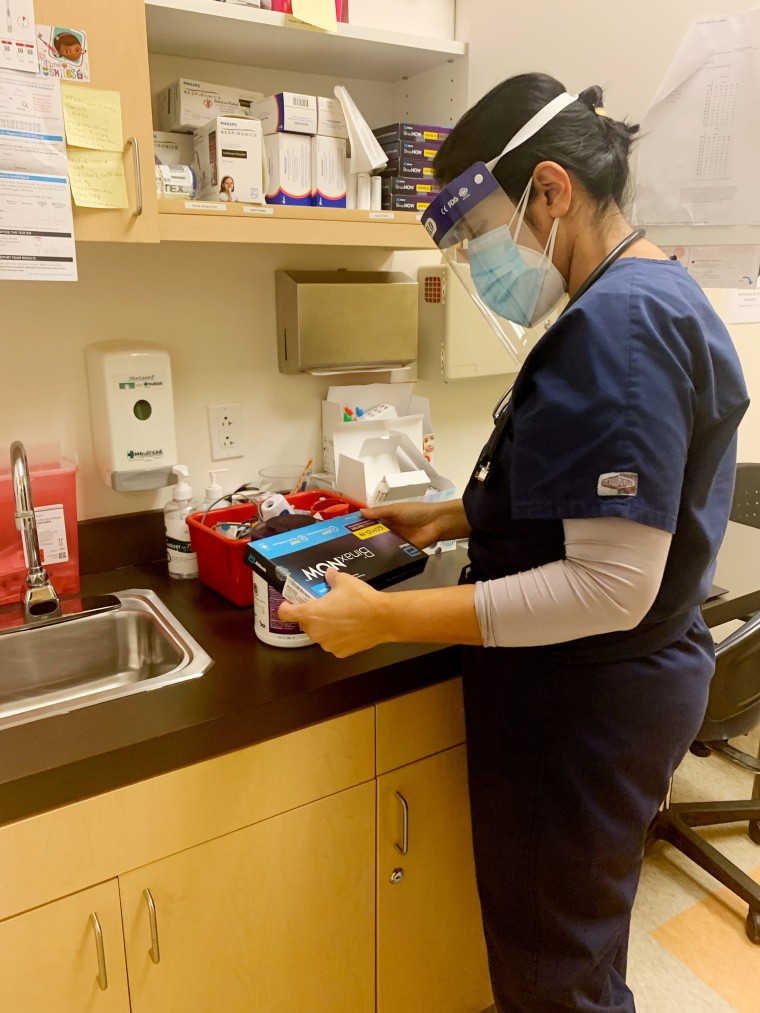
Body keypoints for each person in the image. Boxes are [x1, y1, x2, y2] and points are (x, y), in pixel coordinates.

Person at [279, 72, 749, 1013]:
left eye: (480, 235)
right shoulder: (646, 289)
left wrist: (388, 616)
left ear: (550, 188)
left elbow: (610, 582)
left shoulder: (619, 329)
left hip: (586, 702)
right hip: (616, 689)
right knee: (577, 943)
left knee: (556, 981)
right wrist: (454, 516)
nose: (479, 262)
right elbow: (606, 494)